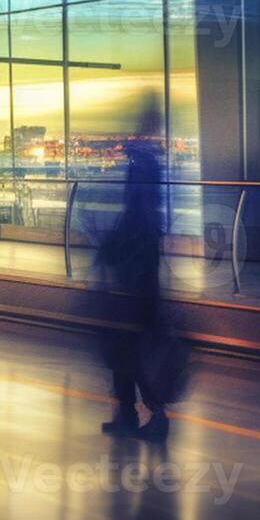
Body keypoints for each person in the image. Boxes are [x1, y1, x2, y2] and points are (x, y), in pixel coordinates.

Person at [95, 104, 172, 440]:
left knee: (130, 344)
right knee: (126, 344)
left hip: (137, 269)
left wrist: (113, 246)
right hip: (140, 266)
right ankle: (129, 412)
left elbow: (136, 213)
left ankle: (151, 412)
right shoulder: (148, 163)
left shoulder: (142, 164)